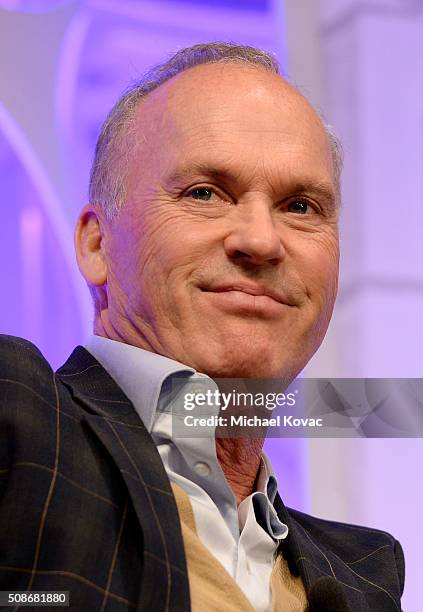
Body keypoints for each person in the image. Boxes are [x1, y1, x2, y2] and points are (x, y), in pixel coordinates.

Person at [0, 43, 404, 611]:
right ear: (97, 244)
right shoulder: (20, 419)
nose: (262, 240)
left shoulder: (368, 573)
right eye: (205, 193)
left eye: (301, 206)